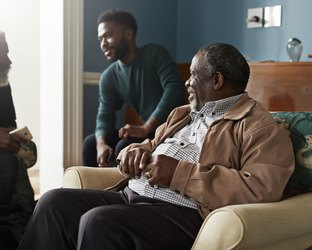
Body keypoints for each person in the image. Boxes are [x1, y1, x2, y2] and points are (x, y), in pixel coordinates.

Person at [18, 43, 295, 250]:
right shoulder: (183, 114)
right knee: (53, 201)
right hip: (131, 195)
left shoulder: (260, 127)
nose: (187, 81)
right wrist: (133, 152)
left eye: (194, 75)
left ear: (217, 80)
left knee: (99, 221)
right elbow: (150, 144)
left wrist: (178, 173)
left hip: (185, 213)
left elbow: (260, 190)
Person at [82, 9, 186, 167]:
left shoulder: (154, 53)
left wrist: (146, 127)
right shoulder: (109, 76)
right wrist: (101, 144)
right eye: (100, 38)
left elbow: (174, 89)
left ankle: (123, 192)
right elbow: (105, 116)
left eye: (108, 35)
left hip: (172, 131)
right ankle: (96, 191)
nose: (103, 44)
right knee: (91, 144)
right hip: (146, 132)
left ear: (128, 34)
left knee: (124, 147)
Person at [0, 31, 37, 249]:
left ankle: (20, 219)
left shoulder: (2, 81)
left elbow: (10, 124)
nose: (9, 60)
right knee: (6, 162)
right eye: (3, 53)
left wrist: (13, 137)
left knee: (26, 149)